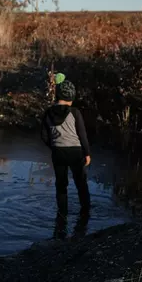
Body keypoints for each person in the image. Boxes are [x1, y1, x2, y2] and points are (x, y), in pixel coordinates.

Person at [41, 73, 92, 240]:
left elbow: (44, 136)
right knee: (81, 183)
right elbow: (82, 134)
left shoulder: (48, 113)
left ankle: (62, 215)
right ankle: (85, 212)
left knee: (61, 185)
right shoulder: (75, 112)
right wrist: (87, 153)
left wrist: (54, 146)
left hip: (58, 152)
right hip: (76, 152)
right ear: (71, 97)